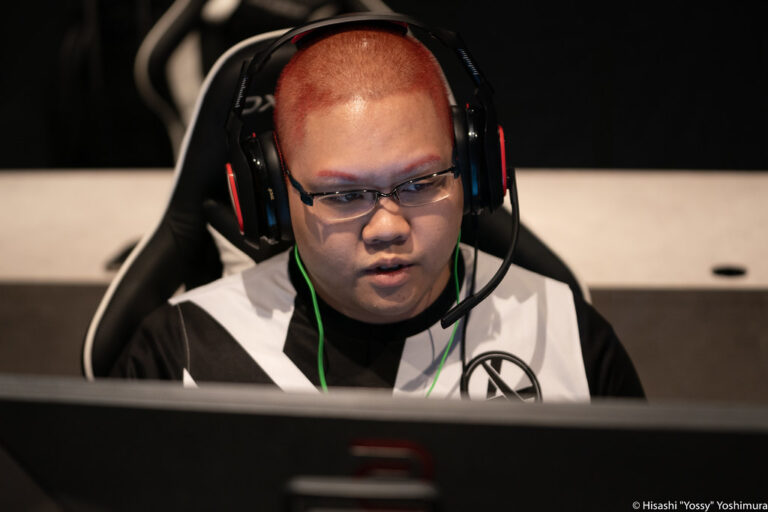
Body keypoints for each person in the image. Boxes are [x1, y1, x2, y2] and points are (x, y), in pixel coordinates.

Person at [111, 19, 644, 401]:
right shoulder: (179, 354)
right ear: (272, 194)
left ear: (474, 174)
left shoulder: (565, 335)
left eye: (421, 182)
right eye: (344, 195)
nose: (388, 227)